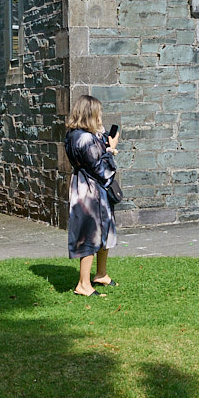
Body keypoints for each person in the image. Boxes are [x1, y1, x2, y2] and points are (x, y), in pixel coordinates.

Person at [64, 95, 120, 297]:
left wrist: (103, 136)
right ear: (90, 113)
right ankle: (83, 284)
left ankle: (101, 274)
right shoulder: (86, 139)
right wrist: (112, 150)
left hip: (84, 186)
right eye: (98, 112)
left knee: (103, 230)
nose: (101, 115)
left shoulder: (74, 134)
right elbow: (102, 169)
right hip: (92, 191)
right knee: (89, 234)